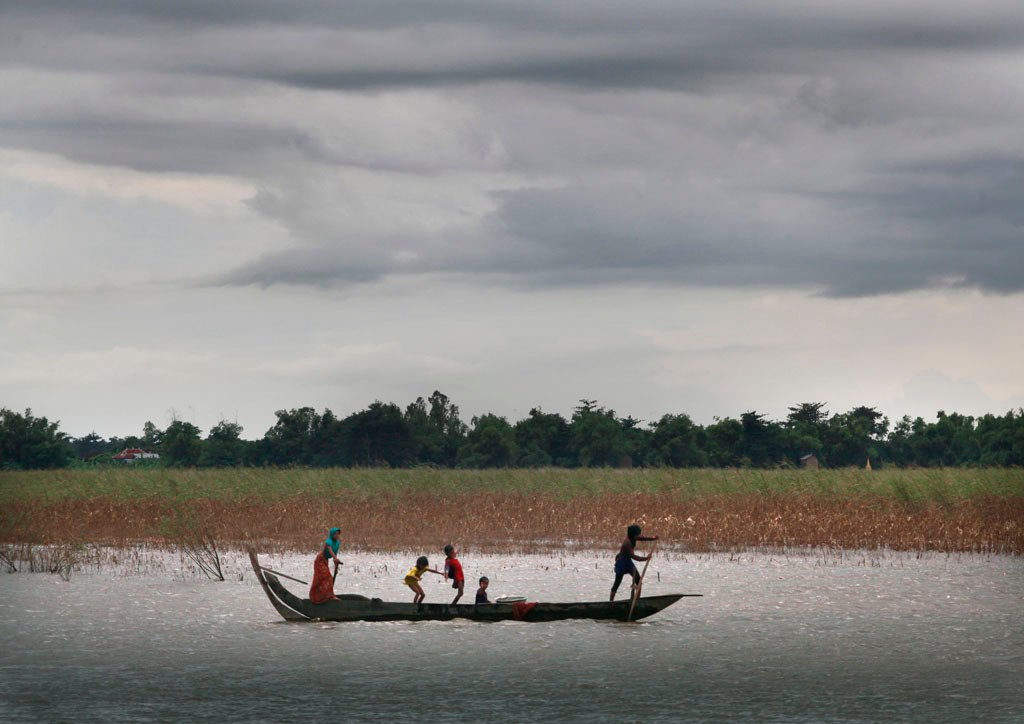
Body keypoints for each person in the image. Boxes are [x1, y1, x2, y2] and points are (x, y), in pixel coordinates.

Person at [610, 524, 658, 603]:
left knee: (638, 581)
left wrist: (653, 538)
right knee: (617, 583)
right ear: (634, 534)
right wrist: (645, 558)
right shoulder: (627, 543)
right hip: (621, 563)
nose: (639, 535)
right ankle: (610, 603)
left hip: (628, 562)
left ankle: (637, 601)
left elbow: (642, 538)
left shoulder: (633, 537)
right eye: (638, 534)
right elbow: (634, 556)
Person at [310, 527, 343, 604]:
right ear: (332, 535)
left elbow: (335, 553)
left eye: (338, 534)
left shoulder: (337, 543)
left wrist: (336, 563)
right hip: (320, 560)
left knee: (326, 578)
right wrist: (335, 558)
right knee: (326, 577)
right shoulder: (329, 541)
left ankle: (327, 596)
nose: (337, 535)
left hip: (325, 560)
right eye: (335, 534)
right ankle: (324, 597)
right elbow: (330, 551)